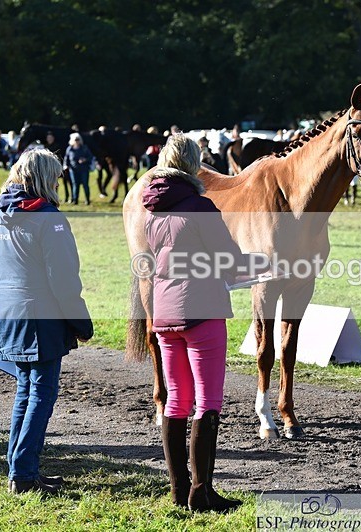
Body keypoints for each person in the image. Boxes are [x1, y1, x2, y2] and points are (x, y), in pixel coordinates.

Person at [142, 133, 263, 512]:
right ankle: (202, 491)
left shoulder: (153, 211)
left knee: (177, 400)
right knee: (207, 402)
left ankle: (179, 490)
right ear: (195, 165)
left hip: (165, 313)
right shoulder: (201, 206)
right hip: (201, 310)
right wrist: (264, 266)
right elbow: (228, 260)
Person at [0, 147, 93, 494]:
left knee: (25, 392)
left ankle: (20, 468)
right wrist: (81, 322)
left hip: (9, 313)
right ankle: (23, 473)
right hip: (41, 318)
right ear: (47, 178)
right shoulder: (51, 220)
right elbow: (64, 280)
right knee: (41, 395)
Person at [63, 133, 94, 205]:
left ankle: (87, 200)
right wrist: (65, 166)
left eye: (78, 139)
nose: (77, 141)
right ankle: (75, 200)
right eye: (75, 139)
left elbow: (90, 157)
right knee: (75, 185)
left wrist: (84, 160)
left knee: (85, 184)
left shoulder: (84, 148)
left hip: (84, 169)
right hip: (73, 170)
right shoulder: (69, 149)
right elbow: (66, 159)